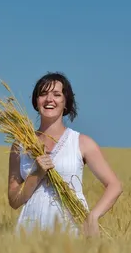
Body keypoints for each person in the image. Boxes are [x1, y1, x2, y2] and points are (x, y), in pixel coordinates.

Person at [7, 71, 123, 237]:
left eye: (57, 94)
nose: (49, 99)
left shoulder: (81, 142)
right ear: (36, 101)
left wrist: (93, 216)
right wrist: (37, 173)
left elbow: (115, 185)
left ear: (66, 102)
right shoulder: (20, 145)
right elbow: (14, 201)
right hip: (30, 230)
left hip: (71, 230)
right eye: (43, 94)